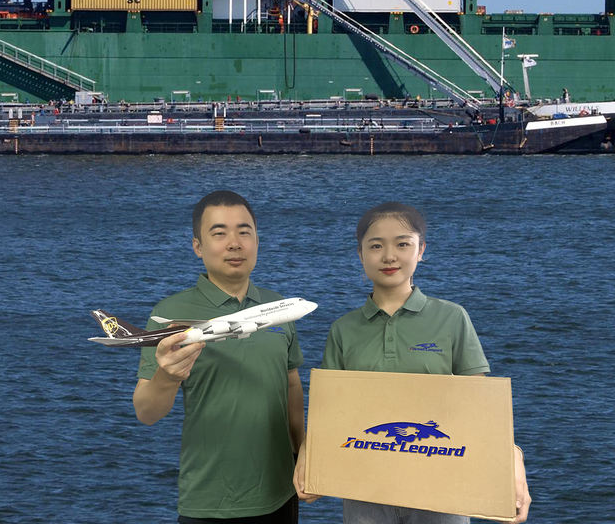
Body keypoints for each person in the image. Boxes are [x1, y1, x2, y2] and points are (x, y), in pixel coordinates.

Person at [294, 202, 531, 524]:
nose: (389, 256)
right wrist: (309, 456)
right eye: (376, 246)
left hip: (443, 488)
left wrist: (513, 460)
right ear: (360, 253)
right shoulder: (343, 329)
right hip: (365, 488)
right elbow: (330, 410)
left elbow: (480, 406)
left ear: (421, 250)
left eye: (403, 244)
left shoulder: (452, 318)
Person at [134, 190, 305, 523]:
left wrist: (303, 453)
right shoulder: (171, 315)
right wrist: (167, 376)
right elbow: (146, 413)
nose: (234, 244)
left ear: (257, 240)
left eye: (244, 232)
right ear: (197, 246)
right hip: (208, 502)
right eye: (219, 233)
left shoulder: (277, 308)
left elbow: (292, 386)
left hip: (281, 496)